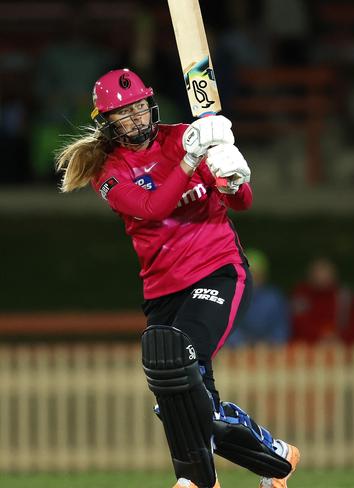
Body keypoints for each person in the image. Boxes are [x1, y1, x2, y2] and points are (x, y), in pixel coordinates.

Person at [55, 68, 299, 488]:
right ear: (107, 124)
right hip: (162, 288)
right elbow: (153, 208)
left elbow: (241, 202)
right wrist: (191, 160)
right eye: (121, 115)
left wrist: (232, 174)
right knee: (175, 396)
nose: (134, 120)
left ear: (150, 104)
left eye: (137, 109)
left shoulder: (187, 135)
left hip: (218, 268)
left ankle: (195, 480)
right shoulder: (109, 170)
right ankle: (275, 457)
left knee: (179, 360)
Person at [290, 256, 354, 344]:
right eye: (318, 272)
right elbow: (298, 322)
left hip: (342, 347)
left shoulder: (345, 295)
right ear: (310, 274)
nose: (322, 275)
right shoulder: (301, 295)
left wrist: (339, 337)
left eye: (325, 271)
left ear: (334, 274)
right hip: (308, 349)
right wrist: (319, 337)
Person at [227, 248, 291, 346]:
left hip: (270, 352)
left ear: (264, 275)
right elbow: (228, 327)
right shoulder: (232, 296)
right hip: (238, 352)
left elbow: (281, 327)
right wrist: (242, 343)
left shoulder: (274, 297)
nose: (253, 278)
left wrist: (271, 343)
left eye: (257, 274)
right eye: (249, 273)